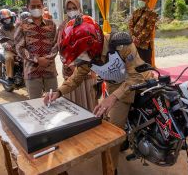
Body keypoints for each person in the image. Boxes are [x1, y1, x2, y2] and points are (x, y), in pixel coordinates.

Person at [43, 15, 150, 174]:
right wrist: (58, 92)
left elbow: (136, 76)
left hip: (139, 81)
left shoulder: (120, 44)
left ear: (92, 43)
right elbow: (76, 78)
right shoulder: (87, 58)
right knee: (112, 131)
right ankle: (111, 169)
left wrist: (111, 98)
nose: (80, 59)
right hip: (116, 87)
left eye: (80, 54)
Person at [54, 0, 97, 111]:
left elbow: (94, 45)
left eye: (74, 7)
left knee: (90, 101)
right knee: (74, 105)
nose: (72, 10)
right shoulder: (63, 26)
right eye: (69, 8)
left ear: (80, 8)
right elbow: (61, 49)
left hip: (88, 68)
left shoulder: (88, 22)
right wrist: (72, 66)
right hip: (70, 70)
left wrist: (92, 69)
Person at [14, 0, 58, 99]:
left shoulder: (51, 24)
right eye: (33, 6)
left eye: (39, 6)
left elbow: (56, 44)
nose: (36, 8)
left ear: (43, 6)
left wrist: (47, 59)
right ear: (27, 7)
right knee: (35, 104)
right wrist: (37, 60)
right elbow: (19, 48)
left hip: (50, 71)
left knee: (54, 102)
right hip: (32, 72)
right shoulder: (21, 25)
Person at [129, 0, 158, 64]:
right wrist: (133, 36)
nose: (140, 1)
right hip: (134, 43)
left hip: (145, 45)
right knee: (135, 65)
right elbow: (130, 24)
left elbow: (148, 29)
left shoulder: (152, 13)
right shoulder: (135, 12)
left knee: (146, 67)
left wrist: (138, 39)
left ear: (148, 1)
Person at [0, 9, 17, 85]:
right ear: (2, 21)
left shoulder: (17, 27)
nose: (7, 21)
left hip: (20, 48)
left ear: (11, 18)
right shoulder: (0, 30)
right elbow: (0, 39)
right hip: (9, 49)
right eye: (5, 20)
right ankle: (10, 77)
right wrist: (7, 45)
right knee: (9, 58)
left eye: (8, 19)